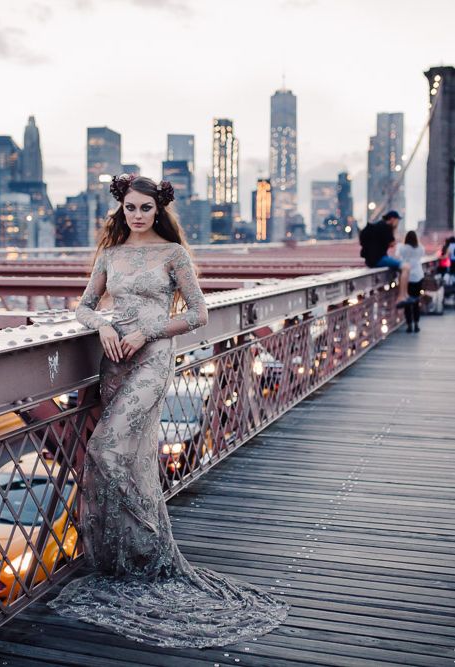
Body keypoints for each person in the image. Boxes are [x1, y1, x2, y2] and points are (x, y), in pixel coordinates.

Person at [48, 174, 288, 647]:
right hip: (114, 362)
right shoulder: (110, 256)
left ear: (159, 211)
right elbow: (84, 307)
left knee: (107, 448)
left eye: (145, 208)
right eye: (130, 208)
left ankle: (149, 547)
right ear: (122, 210)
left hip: (153, 359)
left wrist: (147, 331)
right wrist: (103, 328)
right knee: (129, 457)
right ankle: (124, 557)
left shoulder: (174, 255)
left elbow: (197, 314)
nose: (137, 215)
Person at [359, 210, 416, 307]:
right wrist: (394, 229)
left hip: (371, 260)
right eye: (398, 220)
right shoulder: (386, 227)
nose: (398, 222)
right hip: (378, 259)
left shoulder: (378, 226)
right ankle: (402, 297)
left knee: (401, 267)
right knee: (406, 267)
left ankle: (404, 296)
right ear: (393, 219)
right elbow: (392, 243)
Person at [396, 230, 425, 333]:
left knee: (407, 301)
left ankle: (409, 325)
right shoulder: (420, 248)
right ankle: (416, 324)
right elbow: (422, 255)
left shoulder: (402, 248)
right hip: (418, 275)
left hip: (407, 276)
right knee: (416, 301)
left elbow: (397, 256)